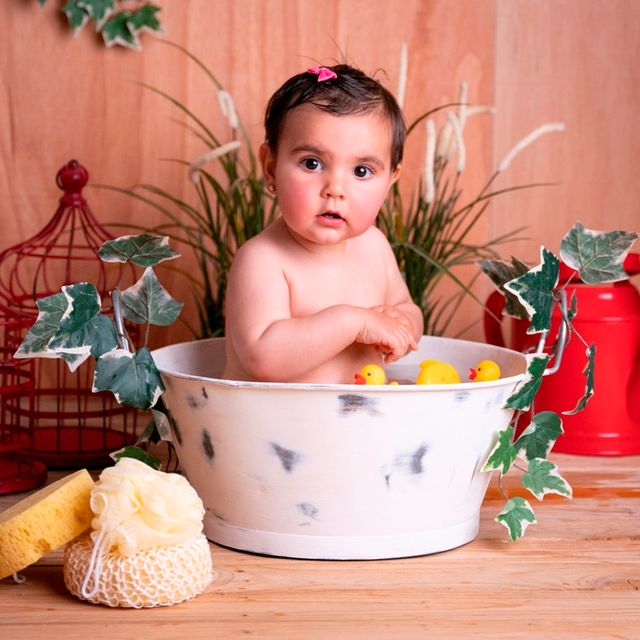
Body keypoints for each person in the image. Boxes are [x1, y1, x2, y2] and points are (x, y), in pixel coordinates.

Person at [223, 64, 423, 383]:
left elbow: (404, 306)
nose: (335, 188)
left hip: (359, 424)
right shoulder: (263, 259)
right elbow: (262, 357)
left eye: (361, 171)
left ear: (390, 181)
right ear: (271, 168)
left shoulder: (375, 246)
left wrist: (404, 323)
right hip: (274, 428)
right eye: (312, 164)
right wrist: (352, 322)